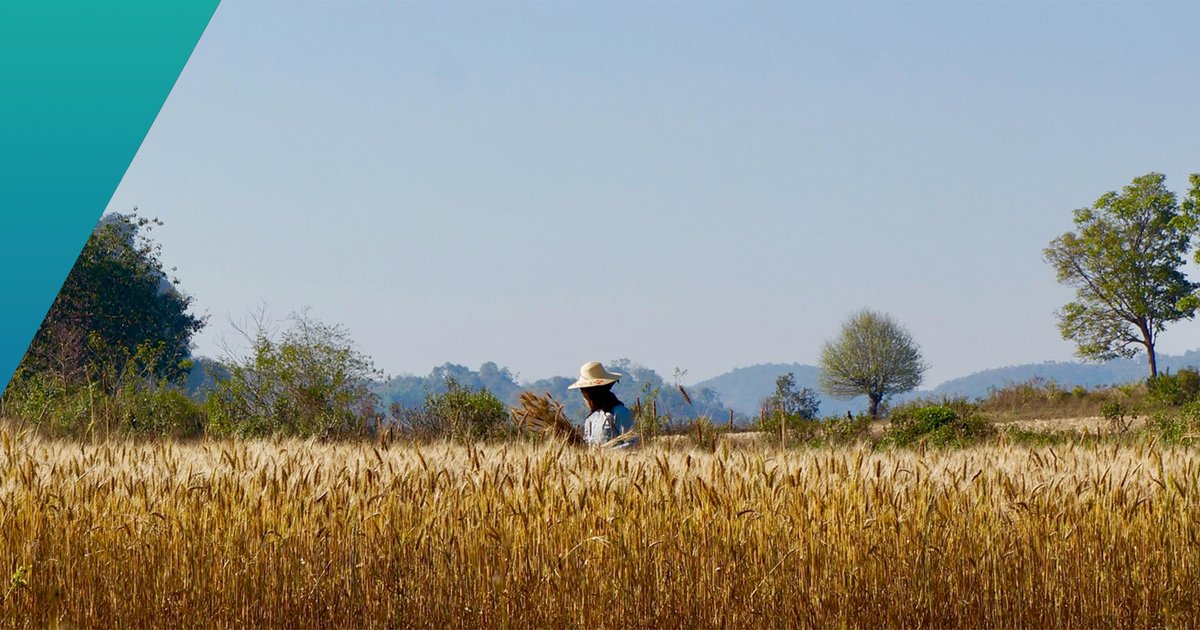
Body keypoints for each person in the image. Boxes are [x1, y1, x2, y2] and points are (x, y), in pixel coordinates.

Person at [568, 361, 636, 448]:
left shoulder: (620, 413)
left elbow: (633, 443)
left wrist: (605, 452)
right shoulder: (590, 419)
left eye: (584, 392)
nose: (584, 397)